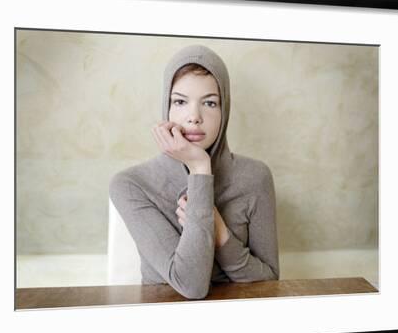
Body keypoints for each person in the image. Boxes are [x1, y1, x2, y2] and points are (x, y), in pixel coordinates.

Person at [109, 44, 279, 300]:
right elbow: (191, 285)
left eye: (210, 103)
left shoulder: (256, 176)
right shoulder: (131, 184)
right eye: (180, 101)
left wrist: (220, 233)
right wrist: (199, 168)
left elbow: (269, 280)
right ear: (166, 107)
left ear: (225, 110)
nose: (194, 117)